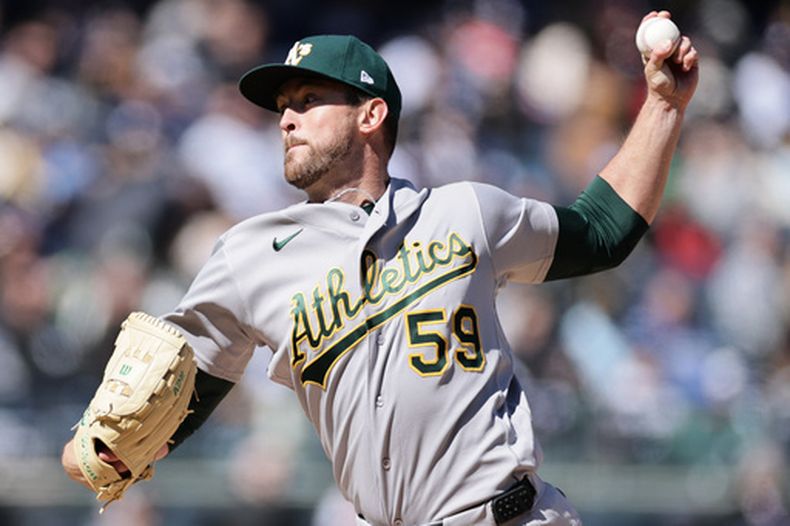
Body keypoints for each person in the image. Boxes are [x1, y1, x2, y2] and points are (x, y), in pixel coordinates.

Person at [63, 11, 698, 525]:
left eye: (310, 99)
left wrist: (663, 106)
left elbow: (601, 233)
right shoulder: (250, 255)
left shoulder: (464, 212)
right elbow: (185, 383)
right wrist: (112, 450)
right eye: (283, 105)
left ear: (371, 115)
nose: (286, 118)